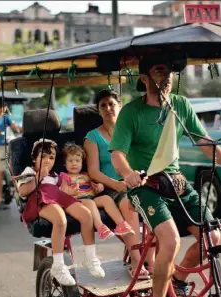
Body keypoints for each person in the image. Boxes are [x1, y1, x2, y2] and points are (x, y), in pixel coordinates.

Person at [110, 55, 221, 297]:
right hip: (145, 187)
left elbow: (204, 143)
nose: (167, 77)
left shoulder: (180, 105)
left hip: (176, 184)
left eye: (170, 71)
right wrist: (127, 174)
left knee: (213, 238)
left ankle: (176, 280)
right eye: (159, 70)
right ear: (144, 78)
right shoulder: (131, 113)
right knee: (171, 240)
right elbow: (117, 154)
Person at [84, 89, 154, 280]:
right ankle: (136, 262)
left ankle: (152, 259)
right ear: (99, 111)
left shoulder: (130, 132)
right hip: (108, 189)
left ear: (120, 107)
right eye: (103, 105)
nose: (108, 108)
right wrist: (116, 184)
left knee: (156, 203)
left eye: (112, 104)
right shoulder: (92, 137)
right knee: (128, 205)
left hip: (134, 183)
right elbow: (94, 172)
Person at [17, 138, 105, 286]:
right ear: (34, 158)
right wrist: (39, 177)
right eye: (43, 157)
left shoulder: (56, 176)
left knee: (86, 215)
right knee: (60, 219)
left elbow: (63, 192)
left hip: (59, 197)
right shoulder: (30, 171)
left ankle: (91, 258)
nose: (47, 161)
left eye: (51, 158)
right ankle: (58, 265)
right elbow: (23, 191)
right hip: (41, 200)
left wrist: (70, 190)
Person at [59, 143, 136, 241]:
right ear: (65, 163)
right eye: (70, 161)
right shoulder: (65, 177)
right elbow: (64, 193)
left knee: (106, 199)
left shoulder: (86, 175)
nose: (74, 163)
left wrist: (99, 187)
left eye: (77, 161)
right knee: (90, 202)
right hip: (77, 202)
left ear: (82, 163)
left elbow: (94, 187)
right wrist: (71, 191)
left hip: (91, 199)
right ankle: (100, 227)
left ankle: (121, 224)